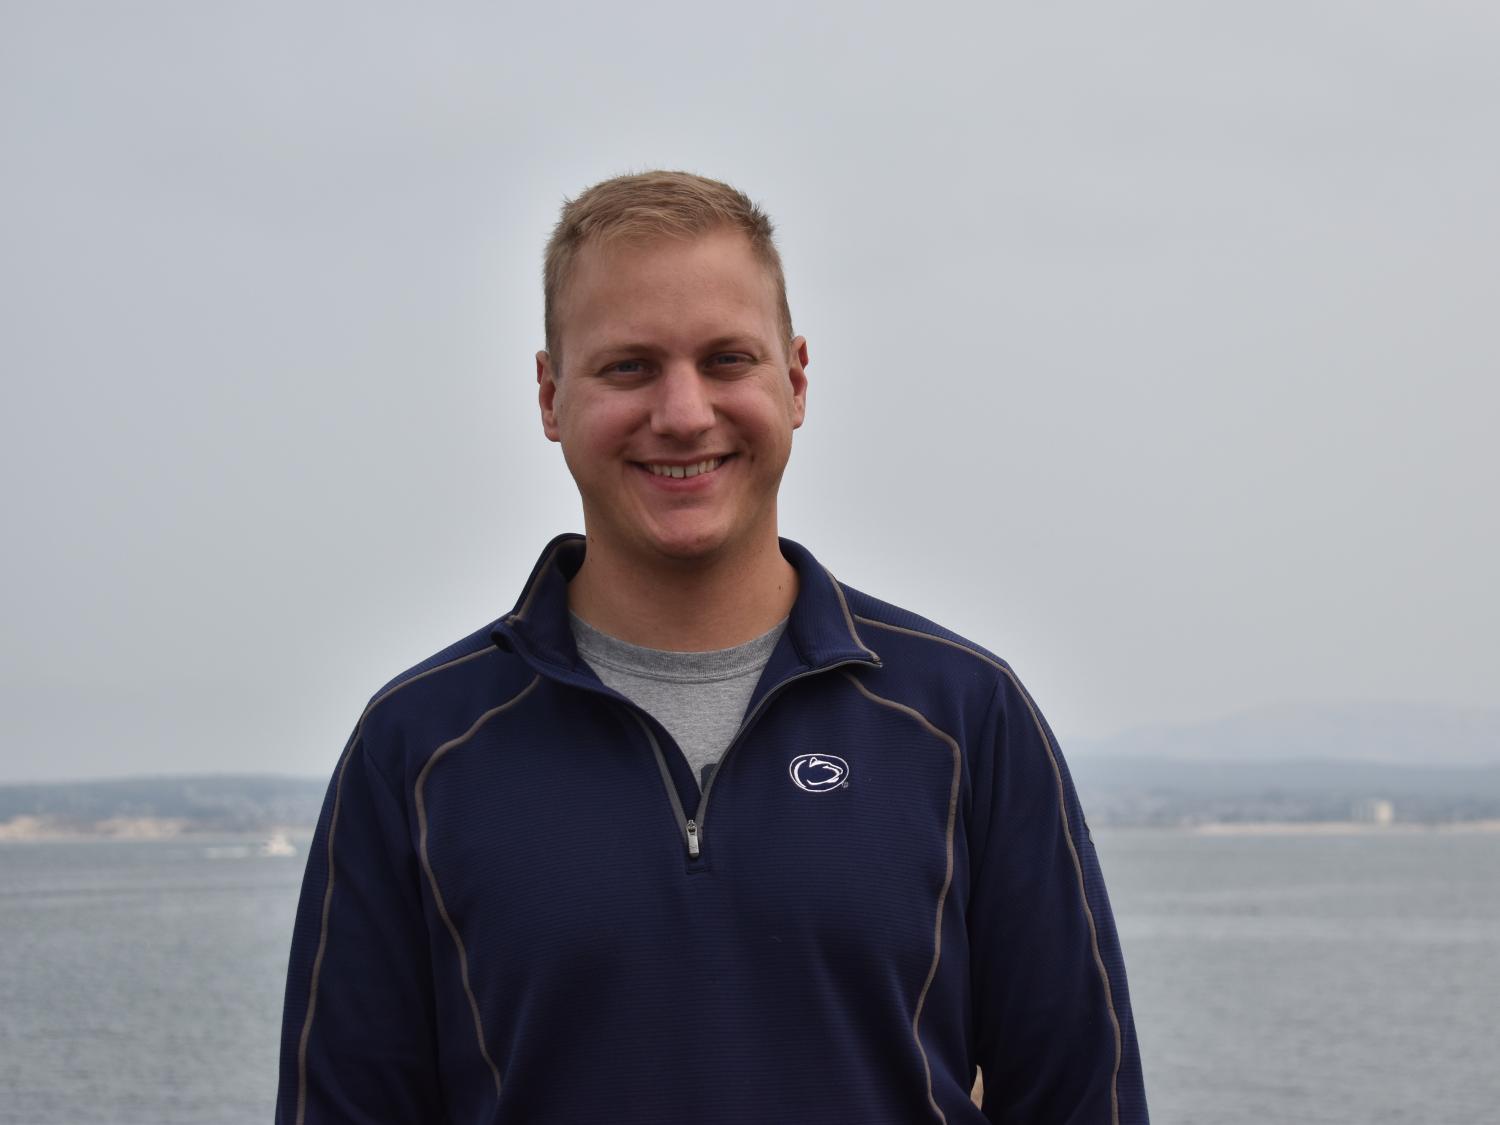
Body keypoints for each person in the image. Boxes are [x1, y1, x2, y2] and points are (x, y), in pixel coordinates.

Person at [277, 170, 1148, 1124]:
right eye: (629, 367)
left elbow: (1083, 1100)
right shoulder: (418, 749)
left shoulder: (965, 718)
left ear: (797, 377)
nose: (684, 412)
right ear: (549, 395)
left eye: (728, 359)